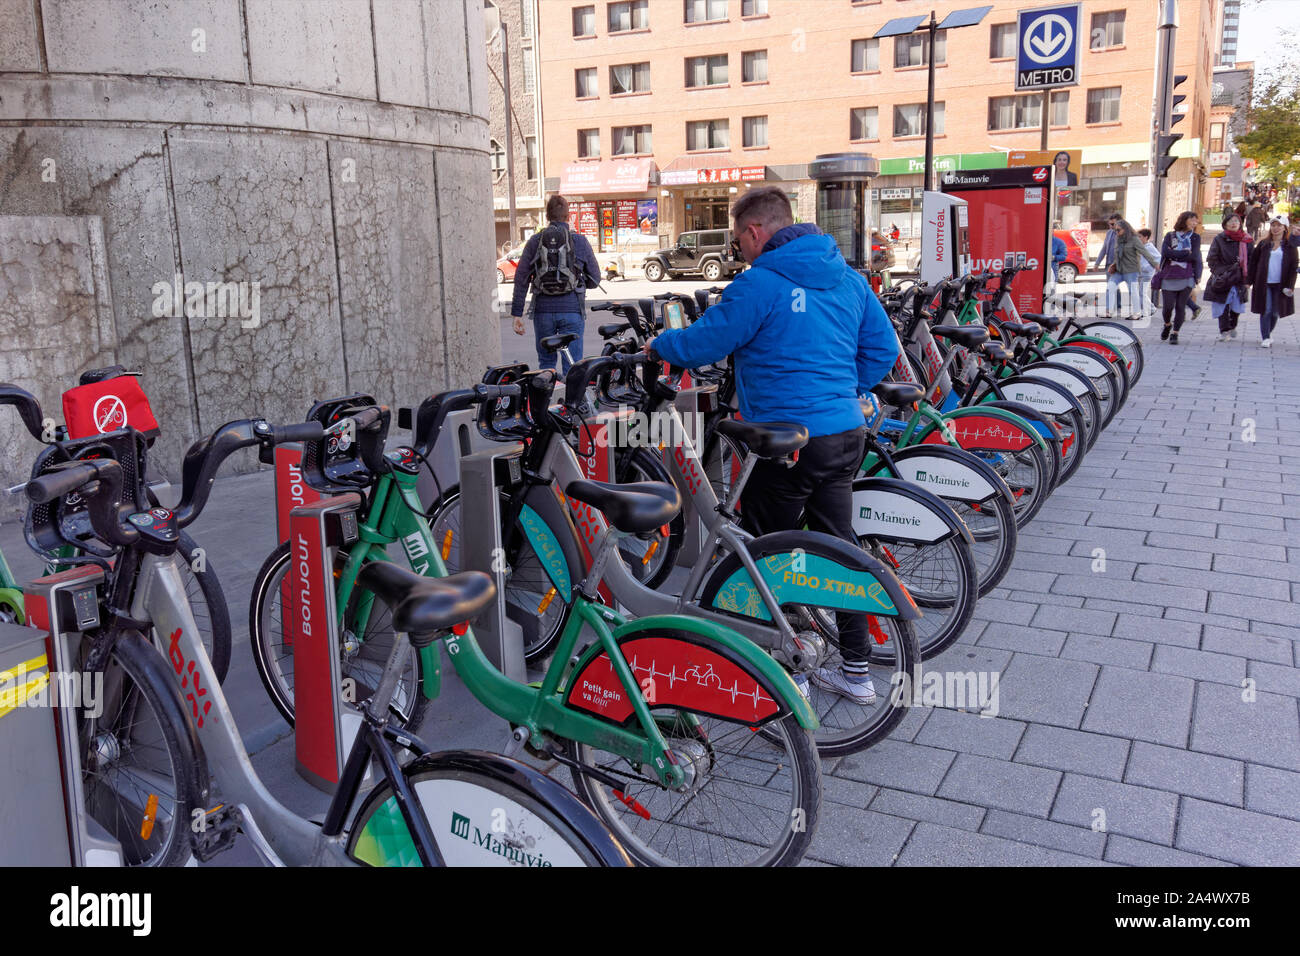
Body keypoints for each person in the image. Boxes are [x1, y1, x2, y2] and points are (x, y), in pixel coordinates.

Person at [646, 186, 900, 703]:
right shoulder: (848, 279)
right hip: (843, 435)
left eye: (740, 238)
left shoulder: (759, 283)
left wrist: (658, 344)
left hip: (788, 444)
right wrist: (842, 392)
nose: (739, 249)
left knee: (772, 554)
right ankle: (856, 671)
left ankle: (792, 674)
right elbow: (883, 349)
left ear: (756, 231)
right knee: (838, 549)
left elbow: (703, 344)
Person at [511, 194, 601, 373]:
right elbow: (595, 279)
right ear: (568, 216)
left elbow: (521, 277)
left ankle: (547, 398)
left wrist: (517, 313)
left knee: (546, 364)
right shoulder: (580, 241)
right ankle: (572, 400)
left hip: (543, 312)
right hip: (572, 311)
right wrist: (577, 282)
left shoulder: (535, 241)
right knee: (573, 366)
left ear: (547, 217)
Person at [1248, 215, 1297, 348]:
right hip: (1263, 282)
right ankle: (1266, 337)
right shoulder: (1264, 244)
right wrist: (1249, 281)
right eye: (1273, 225)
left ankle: (1268, 333)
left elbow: (1293, 267)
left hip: (1281, 284)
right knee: (1267, 309)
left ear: (1285, 228)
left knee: (1276, 312)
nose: (1275, 228)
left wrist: (1291, 286)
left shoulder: (1290, 246)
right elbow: (1253, 262)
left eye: (1279, 225)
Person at [1157, 212, 1203, 344]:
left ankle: (1175, 333)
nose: (1195, 223)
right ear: (1184, 220)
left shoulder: (1195, 237)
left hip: (1187, 275)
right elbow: (1166, 252)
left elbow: (1194, 256)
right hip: (1169, 275)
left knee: (1180, 306)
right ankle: (1167, 324)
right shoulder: (1170, 236)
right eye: (1192, 220)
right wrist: (1183, 253)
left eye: (1196, 221)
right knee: (1167, 306)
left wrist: (1175, 255)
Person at [1205, 213, 1252, 342]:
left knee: (1237, 304)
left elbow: (1252, 259)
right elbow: (1212, 258)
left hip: (1240, 277)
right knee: (1222, 303)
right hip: (1224, 276)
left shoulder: (1247, 239)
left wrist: (1249, 278)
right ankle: (1224, 330)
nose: (1233, 223)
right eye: (1230, 221)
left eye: (1236, 221)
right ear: (1225, 224)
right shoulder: (1219, 239)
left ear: (1240, 224)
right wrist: (1219, 272)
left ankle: (1233, 325)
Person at [1108, 219, 1159, 321]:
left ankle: (1137, 313)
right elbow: (1118, 255)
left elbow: (1145, 252)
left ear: (1125, 229)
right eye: (1115, 231)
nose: (1116, 232)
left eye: (1118, 230)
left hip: (1131, 269)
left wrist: (1155, 264)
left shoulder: (1134, 239)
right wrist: (1113, 265)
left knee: (1133, 291)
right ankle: (1109, 311)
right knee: (1111, 286)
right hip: (1119, 269)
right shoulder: (1119, 239)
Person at [1136, 228, 1161, 318]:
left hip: (1146, 274)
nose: (1138, 238)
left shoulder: (1149, 247)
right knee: (1140, 292)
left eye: (1140, 237)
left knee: (1142, 292)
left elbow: (1158, 258)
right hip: (1140, 273)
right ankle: (1149, 308)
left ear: (1146, 237)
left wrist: (1148, 268)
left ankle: (1150, 309)